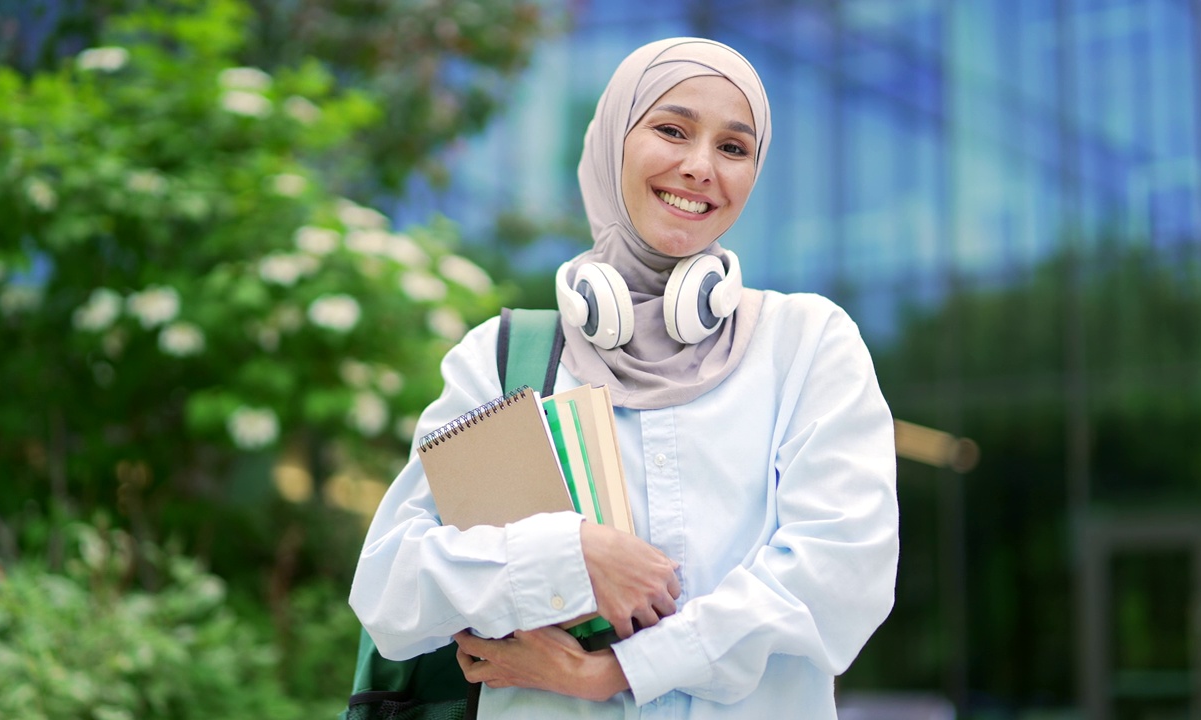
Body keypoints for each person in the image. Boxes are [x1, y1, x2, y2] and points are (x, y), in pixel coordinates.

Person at [349, 37, 898, 719]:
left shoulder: (807, 347)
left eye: (734, 148)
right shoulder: (501, 359)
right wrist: (571, 554)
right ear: (612, 143)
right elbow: (390, 593)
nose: (700, 167)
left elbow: (843, 573)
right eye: (671, 130)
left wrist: (618, 670)